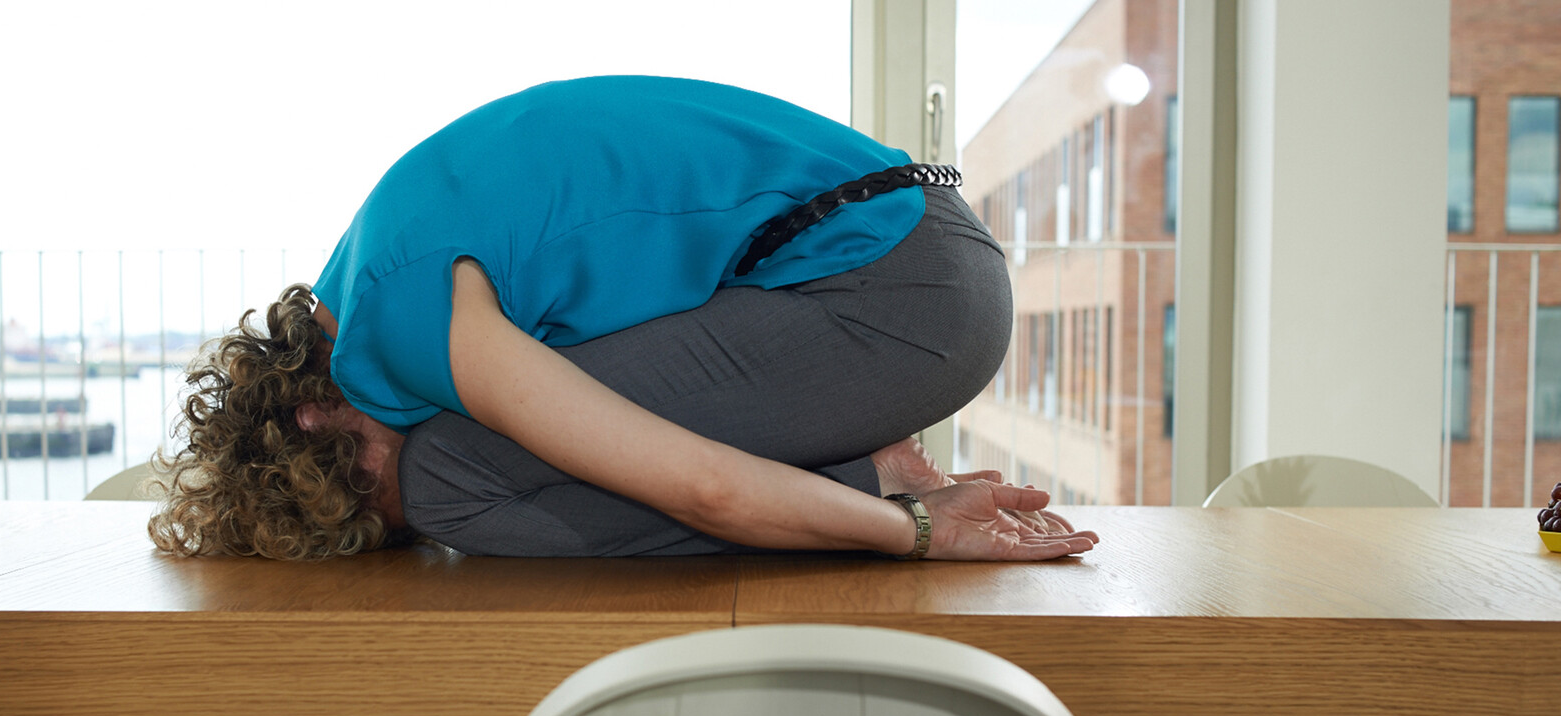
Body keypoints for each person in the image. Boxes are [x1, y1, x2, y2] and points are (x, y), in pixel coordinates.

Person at [148, 76, 1100, 561]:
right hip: (903, 258)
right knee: (480, 459)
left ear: (315, 418)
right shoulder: (376, 256)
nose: (379, 521)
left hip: (901, 295)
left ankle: (868, 484)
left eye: (353, 498)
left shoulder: (408, 318)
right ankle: (855, 475)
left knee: (445, 479)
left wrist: (916, 533)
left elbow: (704, 491)